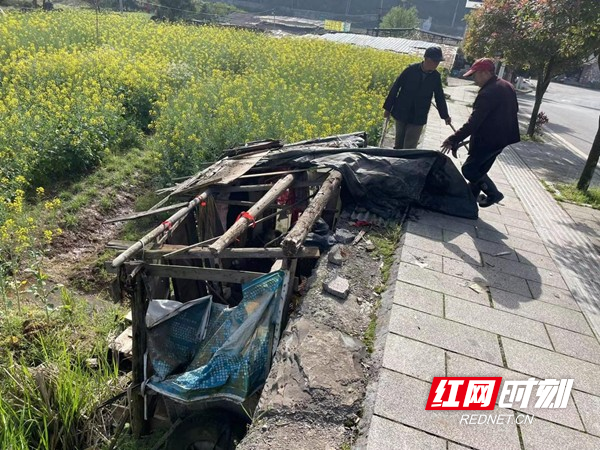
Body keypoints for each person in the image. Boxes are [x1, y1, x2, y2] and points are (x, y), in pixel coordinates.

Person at [441, 58, 520, 208]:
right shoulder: (506, 86)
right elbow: (514, 110)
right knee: (479, 171)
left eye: (475, 75)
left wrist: (453, 139)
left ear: (485, 73)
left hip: (488, 139)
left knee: (469, 170)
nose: (474, 79)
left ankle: (494, 194)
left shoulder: (488, 93)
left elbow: (474, 122)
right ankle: (469, 203)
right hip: (503, 138)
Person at [383, 46, 451, 149]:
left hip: (419, 115)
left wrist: (445, 115)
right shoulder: (410, 70)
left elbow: (439, 96)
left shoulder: (435, 77)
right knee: (398, 144)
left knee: (410, 147)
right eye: (435, 61)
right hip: (402, 111)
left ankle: (407, 159)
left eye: (438, 62)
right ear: (427, 59)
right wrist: (388, 108)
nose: (437, 64)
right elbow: (396, 87)